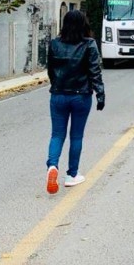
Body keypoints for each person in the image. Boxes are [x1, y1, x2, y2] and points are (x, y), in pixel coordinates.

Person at [46, 10, 105, 194]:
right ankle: (72, 175)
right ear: (83, 24)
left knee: (57, 135)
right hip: (81, 96)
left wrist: (56, 85)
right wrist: (100, 94)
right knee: (76, 136)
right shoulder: (89, 44)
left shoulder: (55, 43)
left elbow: (50, 69)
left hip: (58, 95)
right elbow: (95, 71)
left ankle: (52, 166)